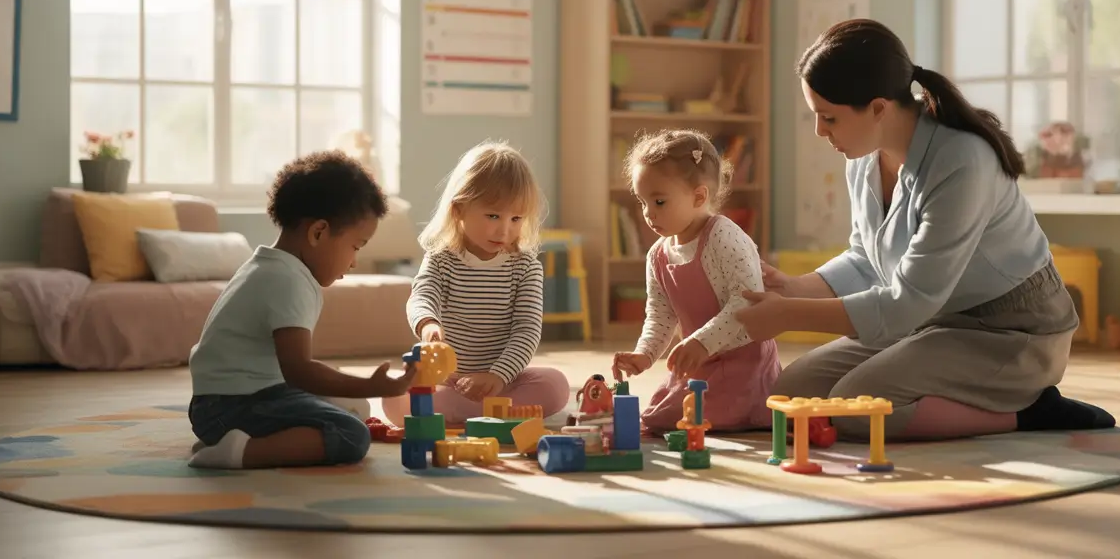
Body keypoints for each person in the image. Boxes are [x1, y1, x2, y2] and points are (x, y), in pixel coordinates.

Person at [735, 19, 1115, 441]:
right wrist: (791, 287)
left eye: (828, 118)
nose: (820, 132)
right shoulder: (863, 157)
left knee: (860, 410)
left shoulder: (962, 160)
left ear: (878, 108)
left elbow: (907, 301)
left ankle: (1033, 413)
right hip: (929, 322)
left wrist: (788, 314)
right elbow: (866, 258)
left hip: (1011, 332)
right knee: (791, 395)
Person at [187, 150, 417, 469]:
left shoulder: (267, 266)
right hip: (234, 406)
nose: (353, 261)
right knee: (350, 433)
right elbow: (299, 371)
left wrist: (353, 391)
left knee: (354, 407)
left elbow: (292, 371)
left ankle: (228, 437)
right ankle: (241, 451)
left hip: (220, 404)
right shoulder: (288, 281)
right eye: (356, 246)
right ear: (318, 232)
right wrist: (369, 385)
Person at [381, 140, 570, 425]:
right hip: (447, 380)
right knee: (393, 396)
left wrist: (497, 375)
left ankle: (463, 411)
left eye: (516, 218)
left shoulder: (525, 266)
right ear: (459, 210)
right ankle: (488, 412)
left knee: (555, 385)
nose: (504, 229)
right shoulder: (441, 258)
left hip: (501, 380)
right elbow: (422, 295)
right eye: (493, 215)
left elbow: (527, 329)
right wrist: (428, 324)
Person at [611, 129, 781, 433]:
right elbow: (660, 314)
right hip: (698, 363)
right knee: (658, 416)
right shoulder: (658, 255)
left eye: (659, 202)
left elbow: (747, 302)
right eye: (642, 202)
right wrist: (644, 353)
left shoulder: (726, 239)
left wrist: (702, 342)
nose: (648, 213)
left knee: (688, 417)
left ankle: (751, 406)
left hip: (743, 362)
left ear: (699, 196)